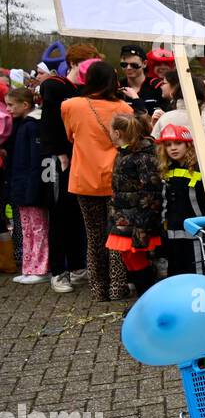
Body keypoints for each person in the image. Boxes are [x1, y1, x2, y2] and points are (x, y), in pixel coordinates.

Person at [61, 61, 135, 301]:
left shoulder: (71, 106)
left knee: (93, 236)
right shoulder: (124, 107)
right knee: (117, 234)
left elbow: (70, 135)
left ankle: (98, 289)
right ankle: (118, 286)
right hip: (117, 178)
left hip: (85, 178)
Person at [38, 46, 89, 292]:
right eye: (84, 65)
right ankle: (58, 271)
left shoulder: (85, 90)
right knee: (59, 214)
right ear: (73, 64)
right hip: (61, 160)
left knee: (78, 213)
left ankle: (79, 265)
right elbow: (48, 124)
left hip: (82, 159)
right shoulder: (56, 87)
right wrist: (59, 153)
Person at [105, 112, 163, 295]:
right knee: (129, 258)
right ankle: (144, 299)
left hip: (137, 221)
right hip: (125, 219)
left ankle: (148, 298)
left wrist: (143, 226)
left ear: (118, 133)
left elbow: (151, 193)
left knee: (136, 259)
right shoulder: (125, 153)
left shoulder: (142, 157)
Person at [4, 87, 52, 284]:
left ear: (25, 105)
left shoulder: (32, 126)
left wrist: (33, 188)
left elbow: (35, 160)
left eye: (11, 105)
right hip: (22, 186)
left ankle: (41, 268)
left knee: (38, 227)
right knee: (26, 228)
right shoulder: (22, 125)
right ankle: (30, 266)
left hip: (31, 186)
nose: (8, 109)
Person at [156, 124, 205, 276]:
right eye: (168, 145)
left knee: (198, 273)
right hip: (173, 233)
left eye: (178, 143)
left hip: (197, 232)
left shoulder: (201, 168)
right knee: (176, 273)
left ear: (188, 145)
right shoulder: (166, 170)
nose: (173, 148)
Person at [153, 71, 205, 154]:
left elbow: (156, 146)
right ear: (203, 92)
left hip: (175, 165)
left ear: (178, 91)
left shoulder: (165, 118)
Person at [119, 44, 165, 117]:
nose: (128, 68)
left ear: (144, 64)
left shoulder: (157, 86)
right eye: (124, 64)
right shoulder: (118, 86)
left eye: (134, 65)